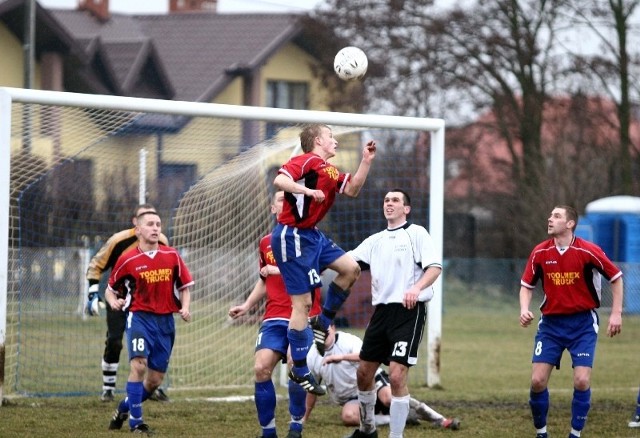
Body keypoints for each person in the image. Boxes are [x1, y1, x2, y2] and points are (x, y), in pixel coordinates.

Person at [271, 123, 376, 395]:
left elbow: (352, 189)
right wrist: (306, 191)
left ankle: (324, 319)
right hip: (292, 236)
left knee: (351, 269)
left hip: (313, 236)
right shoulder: (306, 160)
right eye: (331, 136)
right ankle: (300, 367)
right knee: (303, 304)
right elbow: (280, 180)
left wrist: (366, 162)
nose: (335, 140)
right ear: (318, 140)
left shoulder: (329, 169)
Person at [345, 189, 443, 438]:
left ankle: (396, 436)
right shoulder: (375, 240)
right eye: (386, 200)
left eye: (395, 200)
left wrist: (416, 287)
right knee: (363, 373)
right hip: (381, 314)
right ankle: (367, 430)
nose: (389, 203)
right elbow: (346, 261)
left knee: (397, 375)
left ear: (406, 209)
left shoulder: (416, 233)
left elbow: (434, 267)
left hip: (409, 312)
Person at [519, 205, 623, 438]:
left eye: (556, 216)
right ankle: (541, 433)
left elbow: (616, 278)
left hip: (582, 324)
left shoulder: (588, 251)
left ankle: (575, 434)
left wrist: (616, 313)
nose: (550, 219)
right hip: (551, 325)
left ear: (570, 223)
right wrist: (524, 309)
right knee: (537, 381)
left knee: (582, 380)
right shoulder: (540, 252)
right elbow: (526, 286)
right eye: (550, 215)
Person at [228, 191, 323, 438]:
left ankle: (295, 425)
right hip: (273, 318)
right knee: (261, 368)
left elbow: (312, 273)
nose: (287, 203)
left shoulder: (310, 237)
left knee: (295, 364)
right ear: (273, 208)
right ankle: (268, 432)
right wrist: (247, 306)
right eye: (282, 199)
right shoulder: (266, 242)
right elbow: (264, 279)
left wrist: (278, 268)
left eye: (291, 199)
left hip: (302, 314)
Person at [105, 210, 193, 434]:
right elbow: (109, 290)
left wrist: (185, 307)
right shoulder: (128, 259)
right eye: (150, 224)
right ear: (139, 230)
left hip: (165, 322)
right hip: (140, 318)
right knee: (139, 365)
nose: (155, 228)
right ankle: (136, 422)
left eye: (158, 224)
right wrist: (114, 301)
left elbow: (185, 287)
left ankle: (124, 408)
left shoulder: (172, 255)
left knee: (154, 380)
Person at [86, 203, 171, 403]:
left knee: (152, 345)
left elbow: (169, 269)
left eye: (156, 222)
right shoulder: (119, 241)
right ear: (136, 223)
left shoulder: (163, 242)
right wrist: (92, 294)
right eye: (147, 221)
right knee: (115, 341)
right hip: (120, 300)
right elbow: (96, 265)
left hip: (146, 304)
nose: (153, 228)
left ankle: (151, 387)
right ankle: (108, 388)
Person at [304, 324, 460, 431]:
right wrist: (305, 417)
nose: (323, 336)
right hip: (350, 398)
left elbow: (366, 355)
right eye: (318, 333)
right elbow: (313, 388)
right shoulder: (312, 355)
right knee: (348, 417)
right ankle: (400, 419)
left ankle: (441, 420)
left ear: (333, 327)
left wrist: (341, 357)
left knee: (389, 399)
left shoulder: (347, 340)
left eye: (326, 331)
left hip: (373, 382)